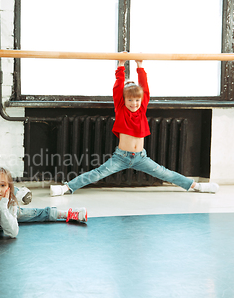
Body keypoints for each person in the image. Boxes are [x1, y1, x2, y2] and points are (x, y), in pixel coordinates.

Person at [50, 56, 220, 197]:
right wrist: (121, 65)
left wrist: (140, 66)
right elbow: (118, 88)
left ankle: (196, 186)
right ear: (124, 100)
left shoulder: (142, 108)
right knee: (97, 173)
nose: (134, 103)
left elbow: (144, 88)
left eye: (137, 100)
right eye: (130, 100)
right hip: (121, 157)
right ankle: (66, 188)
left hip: (141, 157)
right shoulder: (121, 109)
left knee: (165, 173)